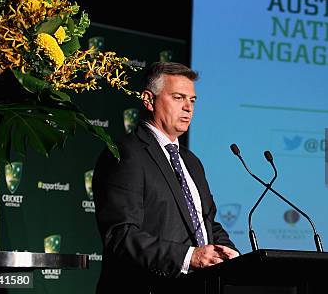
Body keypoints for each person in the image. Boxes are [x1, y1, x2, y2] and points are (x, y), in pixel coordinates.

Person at [93, 62, 239, 293]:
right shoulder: (126, 153)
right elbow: (120, 236)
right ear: (149, 100)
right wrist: (189, 257)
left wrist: (228, 252)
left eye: (192, 101)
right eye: (179, 98)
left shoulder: (191, 161)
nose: (188, 108)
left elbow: (205, 222)